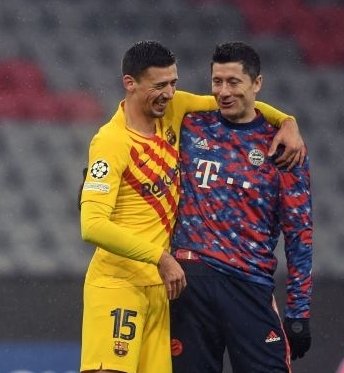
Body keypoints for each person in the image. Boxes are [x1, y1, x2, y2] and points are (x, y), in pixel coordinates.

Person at [79, 40, 305, 373]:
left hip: (160, 290)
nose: (169, 93)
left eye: (173, 82)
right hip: (119, 284)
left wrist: (288, 122)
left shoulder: (173, 108)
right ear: (130, 83)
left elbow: (239, 106)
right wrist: (161, 257)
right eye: (159, 85)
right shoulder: (111, 142)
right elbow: (92, 225)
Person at [170, 42, 313, 373]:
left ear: (257, 84)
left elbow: (299, 232)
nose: (223, 91)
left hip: (248, 285)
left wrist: (298, 310)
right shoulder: (190, 127)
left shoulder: (283, 147)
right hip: (192, 283)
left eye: (233, 82)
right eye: (217, 81)